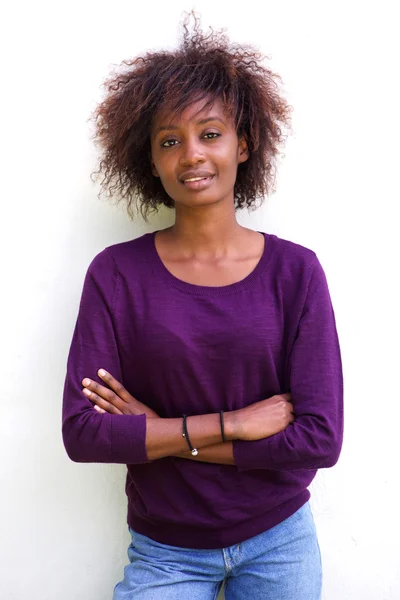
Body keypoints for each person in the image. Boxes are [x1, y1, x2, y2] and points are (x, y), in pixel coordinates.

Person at [62, 11, 343, 600]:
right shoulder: (115, 274)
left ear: (245, 143)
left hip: (280, 541)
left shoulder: (296, 272)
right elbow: (85, 435)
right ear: (151, 160)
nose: (192, 154)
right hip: (165, 551)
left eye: (210, 133)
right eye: (170, 140)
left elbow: (318, 440)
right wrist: (237, 424)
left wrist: (157, 431)